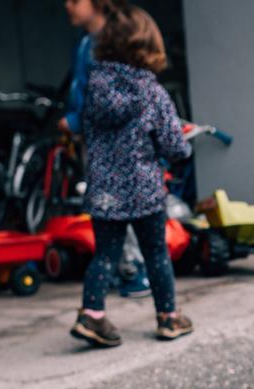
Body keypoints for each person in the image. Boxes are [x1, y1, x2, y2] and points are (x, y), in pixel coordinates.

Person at [69, 4, 192, 348]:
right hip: (145, 191)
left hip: (104, 191)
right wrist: (182, 146)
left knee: (104, 254)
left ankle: (92, 316)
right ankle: (168, 317)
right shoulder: (152, 93)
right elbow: (175, 147)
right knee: (155, 253)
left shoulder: (95, 89)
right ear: (147, 48)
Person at [61, 0, 151, 299]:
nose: (67, 6)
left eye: (75, 1)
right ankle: (120, 267)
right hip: (95, 138)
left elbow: (113, 98)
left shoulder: (112, 42)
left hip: (115, 142)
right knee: (106, 204)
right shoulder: (86, 42)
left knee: (120, 202)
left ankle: (133, 269)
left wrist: (75, 120)